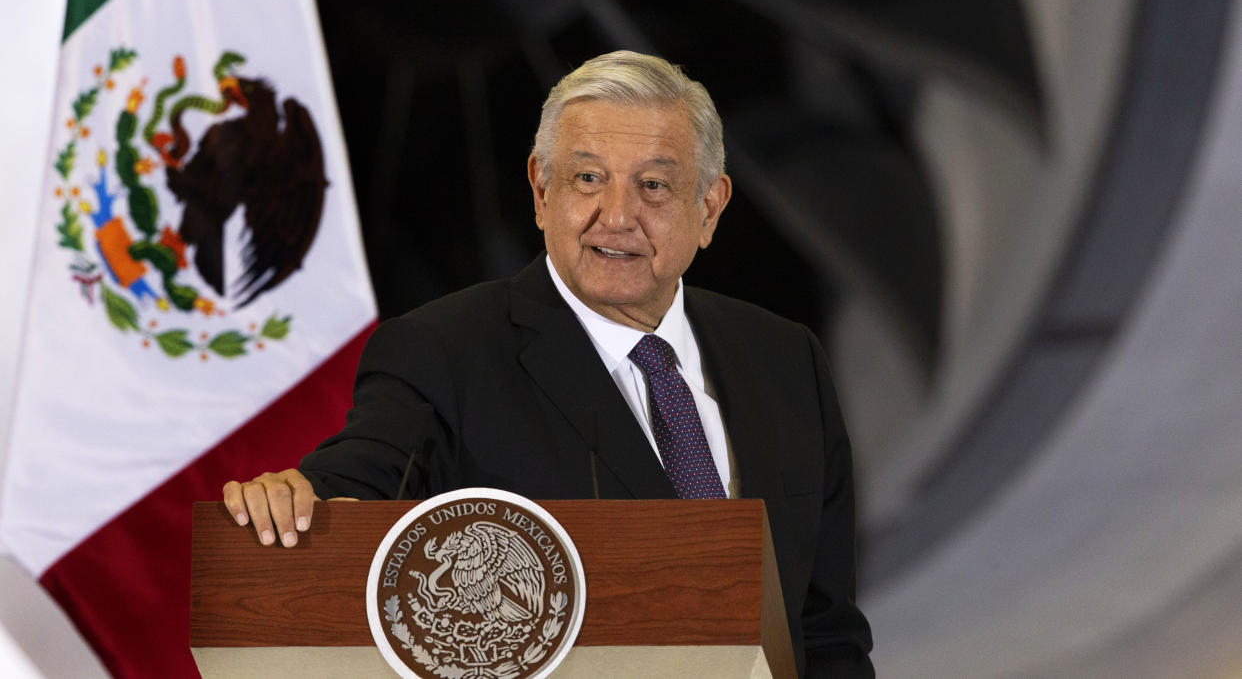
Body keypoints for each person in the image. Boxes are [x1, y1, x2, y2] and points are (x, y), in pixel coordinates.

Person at [223, 50, 874, 677]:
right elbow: (356, 486)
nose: (616, 216)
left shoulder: (787, 360)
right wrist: (294, 499)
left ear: (708, 207)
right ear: (541, 190)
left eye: (653, 185)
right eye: (588, 178)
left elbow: (826, 631)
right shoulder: (445, 351)